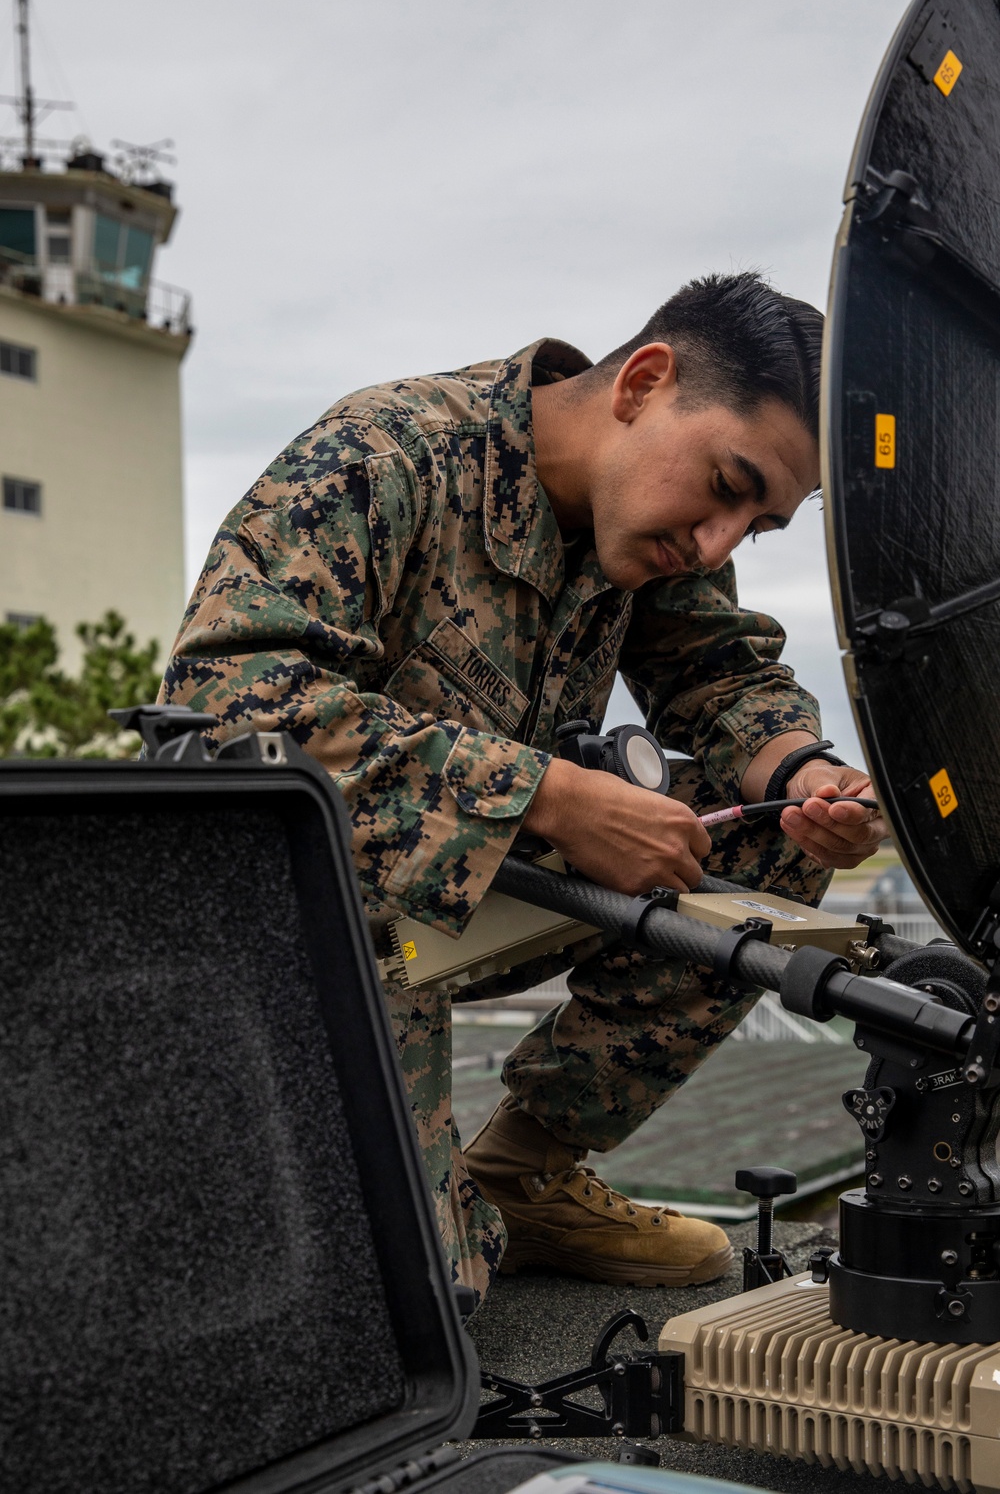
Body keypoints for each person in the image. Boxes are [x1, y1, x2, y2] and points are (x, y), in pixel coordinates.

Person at [160, 272, 887, 1303]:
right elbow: (223, 706)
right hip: (305, 923)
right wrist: (550, 798)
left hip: (474, 907)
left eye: (758, 526)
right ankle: (440, 1218)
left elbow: (717, 677)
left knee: (768, 837)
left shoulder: (656, 526)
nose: (719, 542)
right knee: (422, 1303)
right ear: (642, 383)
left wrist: (805, 776)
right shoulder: (385, 454)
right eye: (728, 486)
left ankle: (522, 1171)